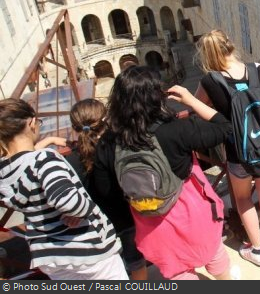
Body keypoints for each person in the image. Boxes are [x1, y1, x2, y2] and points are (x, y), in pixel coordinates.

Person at [106, 66, 236, 280]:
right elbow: (225, 127)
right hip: (189, 211)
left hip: (151, 221)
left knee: (178, 271)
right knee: (213, 253)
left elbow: (106, 188)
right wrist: (192, 101)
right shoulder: (176, 129)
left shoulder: (111, 141)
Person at [0, 99, 127, 280]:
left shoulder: (5, 170)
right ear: (31, 123)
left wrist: (48, 140)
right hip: (86, 249)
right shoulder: (44, 159)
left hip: (49, 255)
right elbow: (67, 201)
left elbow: (25, 162)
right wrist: (83, 209)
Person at [194, 30, 260, 267]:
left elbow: (198, 107)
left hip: (237, 151)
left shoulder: (210, 81)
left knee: (242, 199)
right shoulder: (259, 70)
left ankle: (257, 249)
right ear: (231, 47)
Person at [67, 99, 147, 280]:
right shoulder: (117, 145)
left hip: (96, 225)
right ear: (105, 119)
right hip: (126, 217)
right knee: (136, 264)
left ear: (75, 127)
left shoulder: (72, 160)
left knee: (111, 271)